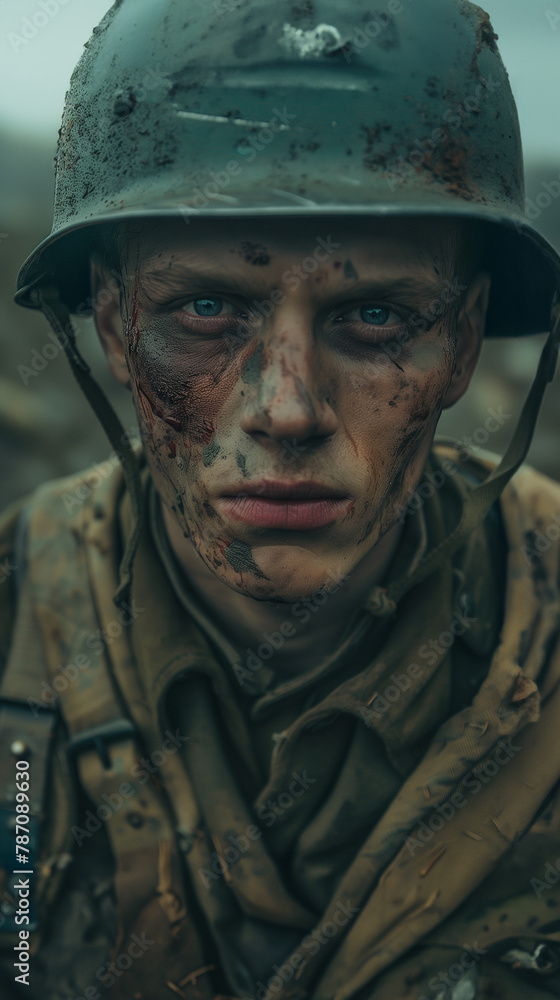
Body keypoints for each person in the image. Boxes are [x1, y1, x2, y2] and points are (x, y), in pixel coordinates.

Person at [1, 1, 560, 998]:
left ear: (463, 342)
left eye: (375, 316)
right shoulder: (12, 611)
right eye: (207, 309)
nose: (287, 410)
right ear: (114, 326)